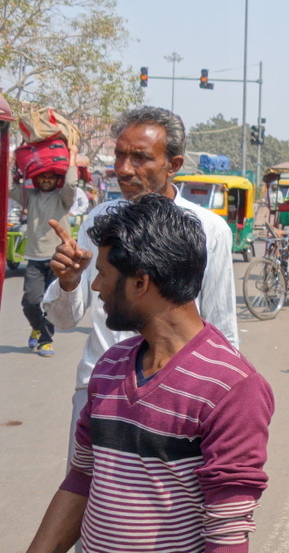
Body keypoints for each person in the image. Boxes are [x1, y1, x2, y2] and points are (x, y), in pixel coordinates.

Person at [26, 194, 273, 553]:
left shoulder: (233, 388)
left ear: (140, 283)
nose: (95, 287)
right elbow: (82, 477)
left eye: (103, 275)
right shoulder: (110, 366)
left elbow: (227, 533)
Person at [43, 106, 238, 460]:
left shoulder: (209, 229)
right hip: (98, 387)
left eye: (140, 158)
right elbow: (63, 319)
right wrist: (69, 282)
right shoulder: (99, 220)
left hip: (179, 397)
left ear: (173, 164)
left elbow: (221, 325)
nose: (123, 168)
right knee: (85, 486)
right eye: (120, 155)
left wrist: (228, 401)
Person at [15, 145, 77, 356]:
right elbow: (7, 187)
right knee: (30, 302)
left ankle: (46, 340)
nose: (47, 180)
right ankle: (37, 328)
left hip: (58, 259)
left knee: (50, 303)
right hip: (34, 258)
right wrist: (11, 162)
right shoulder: (29, 196)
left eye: (51, 177)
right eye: (43, 177)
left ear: (56, 180)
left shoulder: (63, 198)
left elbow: (71, 183)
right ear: (37, 179)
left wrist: (73, 155)